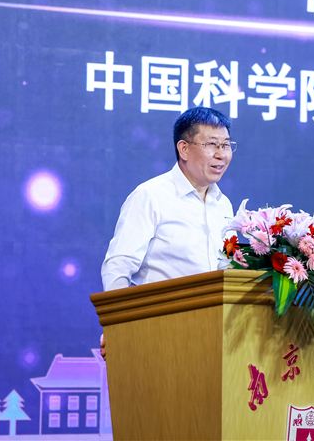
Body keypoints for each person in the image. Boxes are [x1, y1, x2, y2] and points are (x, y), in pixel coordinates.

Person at [99, 107, 237, 356]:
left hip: (214, 335)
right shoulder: (150, 196)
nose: (221, 154)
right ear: (183, 149)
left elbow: (226, 270)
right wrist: (116, 325)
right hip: (158, 331)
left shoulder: (223, 205)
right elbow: (119, 265)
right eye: (211, 145)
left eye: (226, 145)